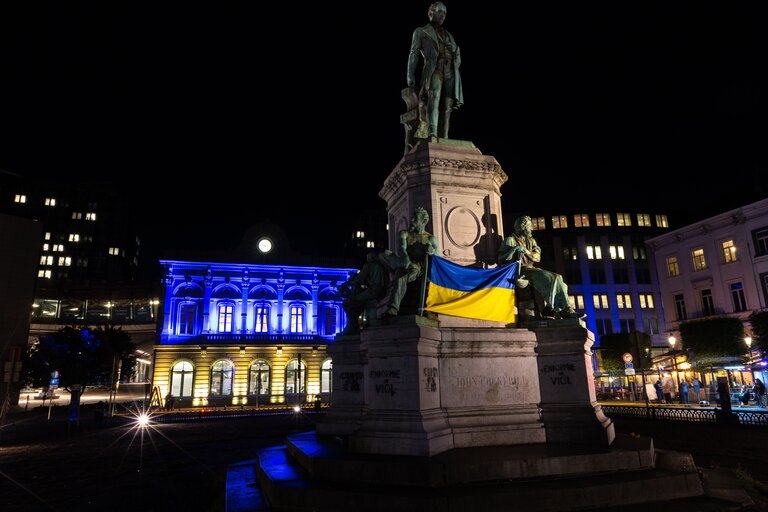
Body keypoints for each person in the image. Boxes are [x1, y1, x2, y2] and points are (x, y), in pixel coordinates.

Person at [497, 216, 581, 320]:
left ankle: (557, 308)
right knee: (553, 278)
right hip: (520, 270)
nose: (531, 228)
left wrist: (526, 251)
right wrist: (513, 250)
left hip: (531, 269)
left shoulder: (531, 241)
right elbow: (500, 259)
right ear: (522, 227)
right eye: (529, 226)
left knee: (561, 281)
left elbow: (537, 258)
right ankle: (561, 310)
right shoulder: (510, 240)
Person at [407, 2, 463, 142]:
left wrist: (455, 53)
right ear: (431, 13)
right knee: (434, 97)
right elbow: (413, 54)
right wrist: (410, 74)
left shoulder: (449, 35)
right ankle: (432, 132)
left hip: (450, 71)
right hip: (434, 69)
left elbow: (458, 56)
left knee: (448, 104)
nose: (443, 16)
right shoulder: (421, 31)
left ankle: (444, 136)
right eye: (440, 12)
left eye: (444, 13)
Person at [380, 207, 439, 317]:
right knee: (384, 254)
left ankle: (393, 308)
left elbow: (437, 259)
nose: (411, 220)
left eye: (415, 218)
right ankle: (392, 307)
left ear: (424, 221)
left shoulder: (431, 239)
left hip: (418, 269)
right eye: (412, 218)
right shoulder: (404, 233)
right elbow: (401, 248)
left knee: (401, 277)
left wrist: (432, 251)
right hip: (404, 263)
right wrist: (407, 260)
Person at [339, 251, 389, 334]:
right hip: (382, 291)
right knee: (357, 300)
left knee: (348, 303)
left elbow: (359, 279)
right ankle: (354, 325)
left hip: (373, 291)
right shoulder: (382, 266)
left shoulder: (370, 265)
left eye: (368, 258)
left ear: (370, 258)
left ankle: (352, 326)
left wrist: (346, 284)